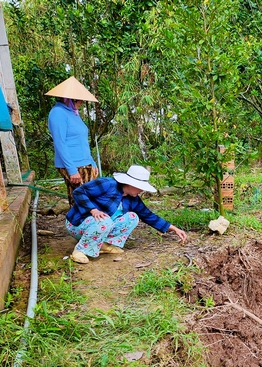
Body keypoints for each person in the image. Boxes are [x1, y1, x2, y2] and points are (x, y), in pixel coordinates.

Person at [65, 165, 188, 264]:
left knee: (132, 217)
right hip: (78, 224)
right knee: (105, 220)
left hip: (101, 226)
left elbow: (149, 216)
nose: (142, 190)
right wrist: (93, 210)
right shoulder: (107, 184)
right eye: (140, 187)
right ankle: (80, 250)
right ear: (130, 183)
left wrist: (174, 228)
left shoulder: (133, 199)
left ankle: (104, 245)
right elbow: (79, 192)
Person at [45, 76, 100, 205]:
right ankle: (79, 224)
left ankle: (87, 224)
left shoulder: (73, 113)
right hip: (73, 164)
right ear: (68, 99)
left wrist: (92, 163)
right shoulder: (58, 113)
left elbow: (81, 141)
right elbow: (60, 143)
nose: (81, 102)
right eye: (79, 100)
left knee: (88, 199)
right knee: (82, 201)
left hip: (85, 162)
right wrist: (72, 170)